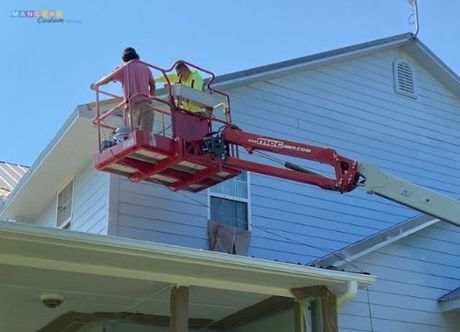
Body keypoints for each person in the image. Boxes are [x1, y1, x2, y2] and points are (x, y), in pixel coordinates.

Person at [92, 47, 156, 132]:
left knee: (135, 133)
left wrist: (97, 84)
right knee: (146, 134)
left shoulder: (123, 67)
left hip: (131, 105)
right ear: (136, 55)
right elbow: (152, 85)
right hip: (145, 102)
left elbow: (108, 78)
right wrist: (151, 98)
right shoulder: (145, 67)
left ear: (124, 57)